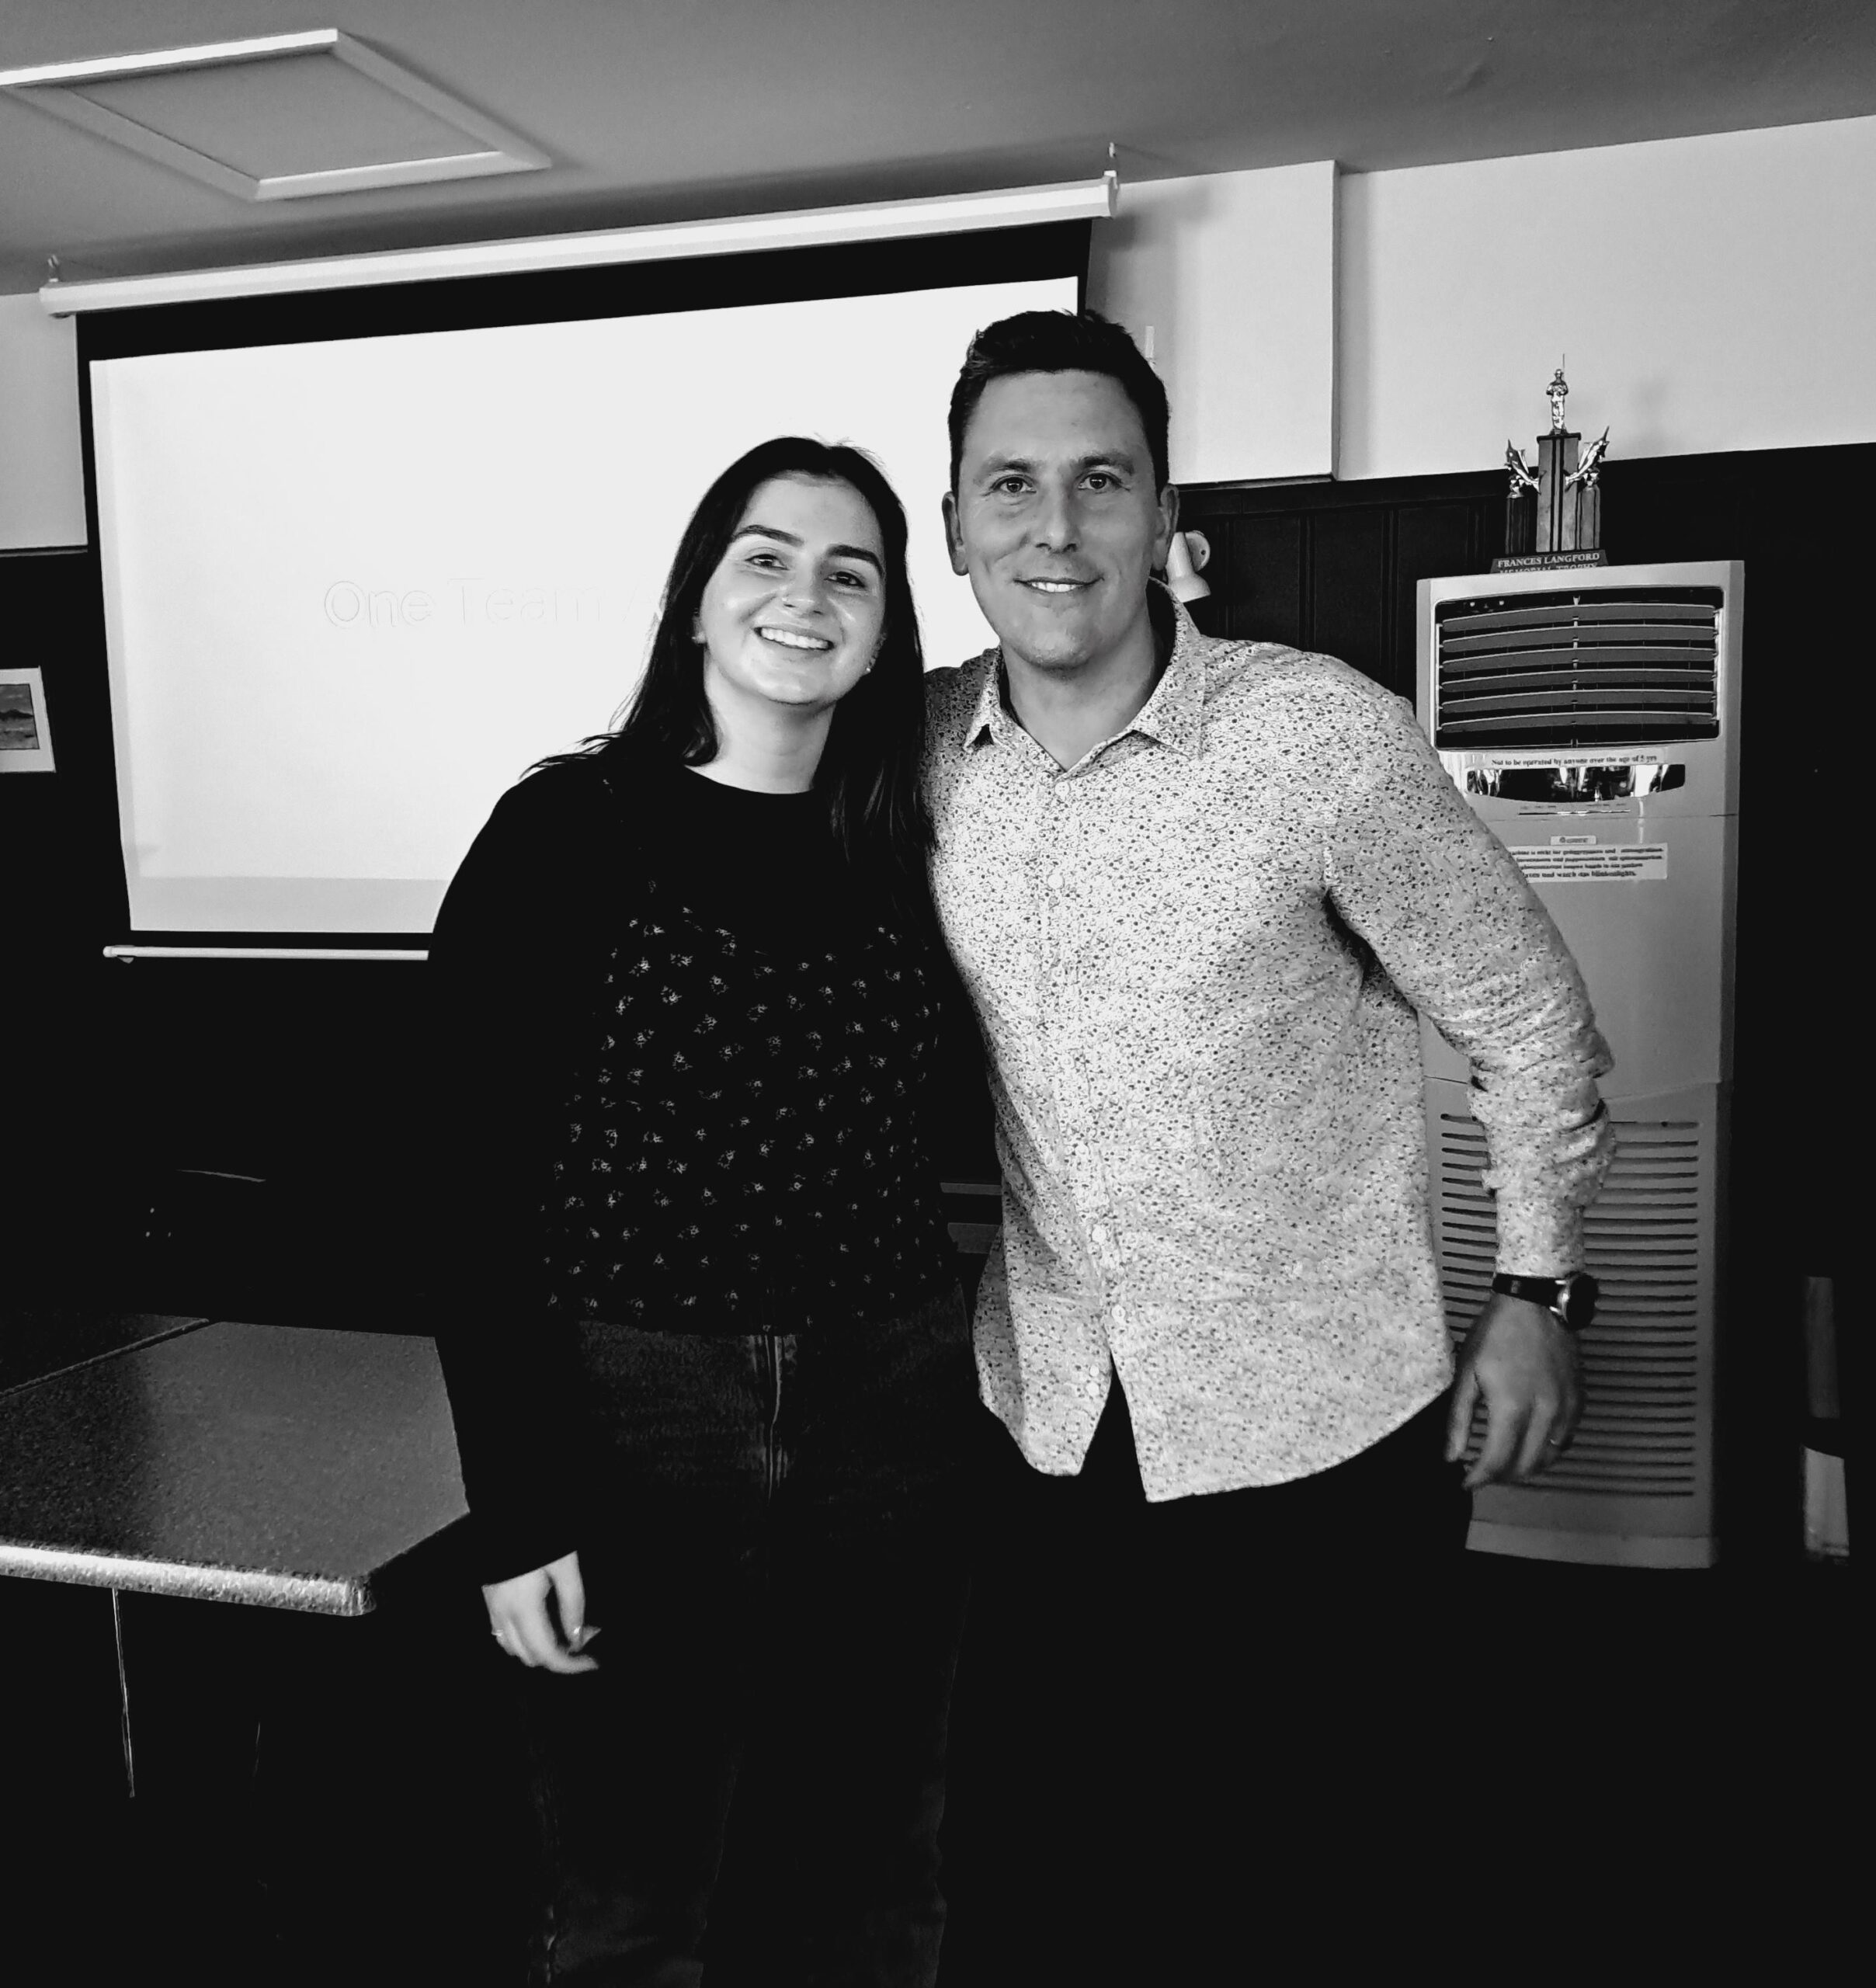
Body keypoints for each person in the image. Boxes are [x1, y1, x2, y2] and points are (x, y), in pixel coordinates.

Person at [922, 311, 1616, 1978]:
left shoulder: (1317, 737)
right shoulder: (921, 755)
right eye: (1009, 484)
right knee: (1049, 1871)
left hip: (1320, 1427)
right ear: (952, 525)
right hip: (1048, 1423)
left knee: (1315, 1881)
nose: (1054, 526)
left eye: (1101, 480)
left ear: (1163, 511)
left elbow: (1528, 1019)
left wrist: (1540, 1290)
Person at [429, 436, 978, 1986]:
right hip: (639, 1403)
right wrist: (516, 1510)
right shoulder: (568, 830)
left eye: (851, 572)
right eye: (766, 555)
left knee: (876, 1855)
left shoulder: (906, 831)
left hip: (891, 1391)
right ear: (696, 597)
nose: (807, 595)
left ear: (886, 628)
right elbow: (462, 1191)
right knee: (634, 1880)